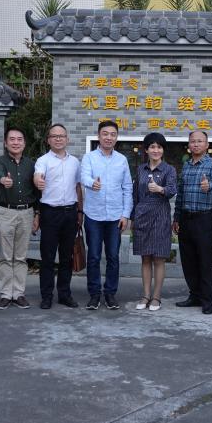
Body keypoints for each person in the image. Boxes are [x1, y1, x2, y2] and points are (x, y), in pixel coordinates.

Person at [81, 120, 133, 310]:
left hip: (115, 217)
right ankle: (94, 294)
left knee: (113, 257)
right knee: (94, 256)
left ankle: (110, 293)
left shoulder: (122, 160)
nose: (109, 137)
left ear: (116, 138)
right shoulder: (89, 158)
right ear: (98, 136)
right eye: (105, 134)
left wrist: (125, 214)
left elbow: (127, 188)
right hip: (93, 216)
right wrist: (91, 183)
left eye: (112, 134)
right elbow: (83, 176)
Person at [173, 130, 212, 315]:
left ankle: (207, 300)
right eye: (193, 141)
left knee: (205, 261)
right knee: (189, 260)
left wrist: (209, 186)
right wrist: (176, 217)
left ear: (207, 145)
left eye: (200, 141)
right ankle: (194, 295)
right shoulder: (186, 166)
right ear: (189, 145)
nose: (196, 144)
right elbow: (180, 194)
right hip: (186, 218)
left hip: (204, 219)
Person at [34, 124, 83, 309]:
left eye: (61, 136)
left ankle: (64, 294)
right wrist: (38, 181)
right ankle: (46, 296)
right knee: (47, 257)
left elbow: (78, 187)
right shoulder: (43, 161)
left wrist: (80, 211)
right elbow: (38, 176)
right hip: (50, 213)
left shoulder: (75, 162)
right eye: (54, 136)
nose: (58, 139)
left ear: (67, 139)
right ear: (48, 140)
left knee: (66, 257)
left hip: (70, 213)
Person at [0, 127, 40, 310]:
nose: (16, 142)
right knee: (5, 256)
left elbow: (37, 192)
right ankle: (5, 294)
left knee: (20, 256)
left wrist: (37, 214)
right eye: (12, 139)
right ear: (5, 143)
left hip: (27, 213)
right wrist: (3, 180)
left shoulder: (32, 165)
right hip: (5, 212)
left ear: (24, 143)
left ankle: (18, 293)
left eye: (19, 139)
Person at [131, 132, 177, 312]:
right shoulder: (140, 169)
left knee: (158, 258)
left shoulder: (169, 169)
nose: (155, 150)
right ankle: (145, 295)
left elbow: (172, 190)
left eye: (159, 147)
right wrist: (133, 217)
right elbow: (135, 195)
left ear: (163, 150)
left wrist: (160, 189)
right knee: (145, 258)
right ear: (146, 150)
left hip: (160, 216)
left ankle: (156, 297)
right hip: (142, 215)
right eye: (152, 147)